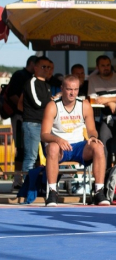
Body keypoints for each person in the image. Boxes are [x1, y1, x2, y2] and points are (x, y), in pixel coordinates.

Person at [41, 75, 109, 206]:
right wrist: (58, 140)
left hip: (79, 146)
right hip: (59, 146)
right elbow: (44, 134)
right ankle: (53, 192)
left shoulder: (84, 105)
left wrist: (93, 138)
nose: (72, 93)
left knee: (98, 147)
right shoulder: (53, 106)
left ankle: (99, 191)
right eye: (69, 89)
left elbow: (92, 130)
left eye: (76, 89)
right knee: (53, 147)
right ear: (62, 89)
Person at [88, 55, 116, 168]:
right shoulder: (93, 79)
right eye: (103, 65)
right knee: (103, 142)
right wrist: (110, 103)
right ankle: (105, 174)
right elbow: (92, 100)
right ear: (97, 67)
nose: (106, 68)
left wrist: (107, 100)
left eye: (108, 65)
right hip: (106, 118)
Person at [8, 55, 37, 189]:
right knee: (21, 149)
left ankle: (33, 178)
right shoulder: (20, 75)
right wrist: (26, 110)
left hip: (32, 118)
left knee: (34, 150)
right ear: (32, 64)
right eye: (40, 66)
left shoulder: (37, 78)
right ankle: (18, 179)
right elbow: (12, 95)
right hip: (20, 118)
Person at [21, 57, 52, 172]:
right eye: (43, 66)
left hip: (45, 125)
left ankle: (46, 185)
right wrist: (52, 101)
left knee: (51, 155)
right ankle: (28, 187)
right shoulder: (31, 82)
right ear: (36, 68)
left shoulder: (47, 85)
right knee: (31, 158)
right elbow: (37, 103)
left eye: (48, 67)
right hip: (32, 124)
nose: (46, 69)